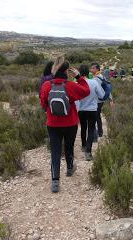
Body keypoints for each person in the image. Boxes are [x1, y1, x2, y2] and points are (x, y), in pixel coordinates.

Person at [40, 56, 90, 193]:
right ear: (67, 72)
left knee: (55, 151)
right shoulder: (71, 86)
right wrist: (79, 77)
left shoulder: (46, 86)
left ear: (55, 70)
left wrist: (49, 111)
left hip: (53, 124)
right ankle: (69, 169)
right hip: (71, 123)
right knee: (69, 146)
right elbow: (86, 91)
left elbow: (43, 104)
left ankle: (55, 181)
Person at [76, 65, 105, 161]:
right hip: (92, 109)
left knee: (83, 128)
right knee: (91, 129)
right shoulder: (94, 82)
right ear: (88, 72)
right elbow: (102, 95)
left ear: (79, 72)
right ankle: (88, 151)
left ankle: (84, 145)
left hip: (81, 109)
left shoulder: (77, 83)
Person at [90, 62, 113, 138]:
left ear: (97, 69)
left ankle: (96, 134)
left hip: (98, 101)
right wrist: (110, 99)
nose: (91, 69)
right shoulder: (101, 76)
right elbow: (107, 87)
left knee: (95, 117)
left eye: (93, 68)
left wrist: (111, 100)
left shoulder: (96, 78)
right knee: (97, 116)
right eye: (91, 68)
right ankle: (100, 132)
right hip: (100, 100)